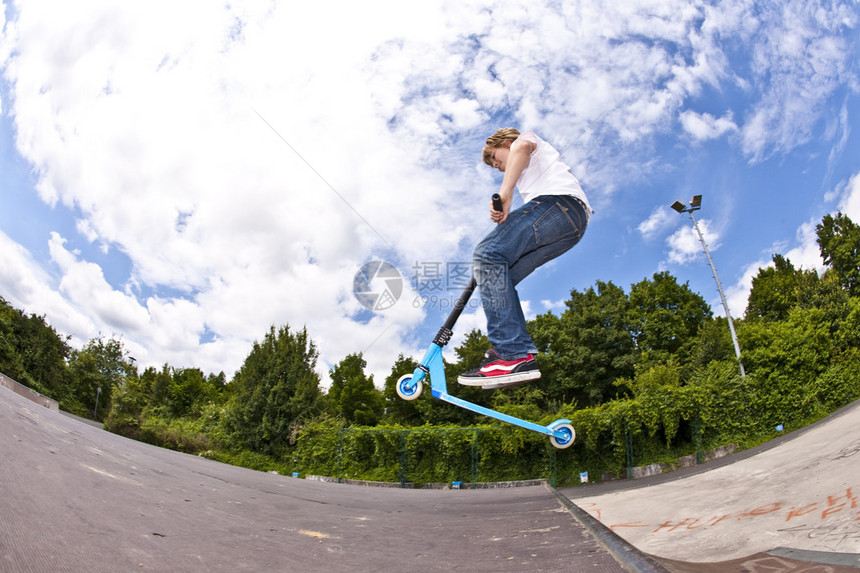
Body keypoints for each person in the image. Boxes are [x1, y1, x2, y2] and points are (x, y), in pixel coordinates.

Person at [458, 128, 592, 389]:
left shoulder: (524, 139)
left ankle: (511, 352)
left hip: (559, 206)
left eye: (496, 159)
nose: (497, 166)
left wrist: (505, 195)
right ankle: (517, 355)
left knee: (486, 254)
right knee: (500, 276)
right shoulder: (532, 176)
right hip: (569, 227)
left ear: (506, 143)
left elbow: (520, 150)